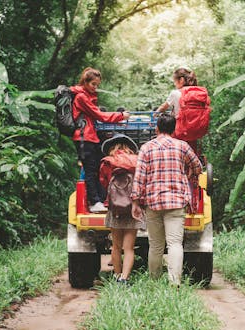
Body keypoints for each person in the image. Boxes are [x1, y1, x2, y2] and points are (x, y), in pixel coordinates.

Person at [131, 113, 202, 285]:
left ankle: (154, 281)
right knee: (175, 243)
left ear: (157, 128)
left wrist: (135, 201)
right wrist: (189, 171)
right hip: (177, 201)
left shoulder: (146, 148)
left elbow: (139, 177)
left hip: (153, 203)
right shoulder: (182, 146)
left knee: (155, 245)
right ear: (174, 129)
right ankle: (174, 282)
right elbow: (198, 166)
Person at [71, 67, 130, 213]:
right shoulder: (81, 97)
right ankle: (95, 201)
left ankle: (100, 199)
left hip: (90, 137)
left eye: (97, 85)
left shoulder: (86, 96)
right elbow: (99, 115)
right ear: (85, 82)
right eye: (93, 84)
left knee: (98, 167)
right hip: (84, 138)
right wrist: (120, 116)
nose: (95, 87)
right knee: (90, 170)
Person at [100, 134, 144, 284]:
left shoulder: (107, 162)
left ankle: (117, 275)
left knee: (116, 246)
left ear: (112, 147)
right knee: (129, 248)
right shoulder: (137, 161)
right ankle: (125, 279)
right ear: (129, 147)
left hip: (115, 209)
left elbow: (104, 184)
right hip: (133, 208)